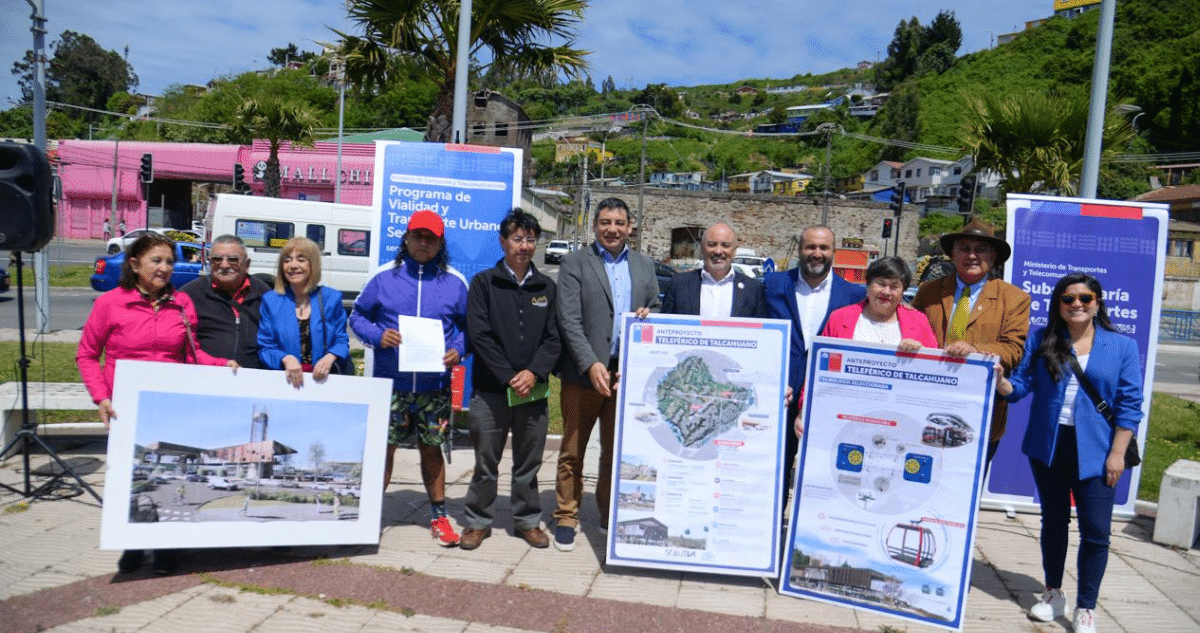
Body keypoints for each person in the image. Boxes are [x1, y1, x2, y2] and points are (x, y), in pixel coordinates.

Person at [77, 233, 237, 575]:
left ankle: (166, 548)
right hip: (125, 407)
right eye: (156, 261)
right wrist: (101, 397)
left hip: (169, 406)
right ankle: (133, 546)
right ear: (134, 265)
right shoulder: (110, 304)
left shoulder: (182, 304)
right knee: (131, 477)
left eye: (168, 261)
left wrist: (222, 365)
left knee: (166, 477)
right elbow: (87, 355)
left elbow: (192, 356)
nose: (164, 268)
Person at [996, 273, 1142, 633]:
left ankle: (1086, 607)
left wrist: (1117, 454)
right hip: (1049, 445)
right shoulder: (1043, 339)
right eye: (1068, 299)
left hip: (1097, 449)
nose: (1077, 304)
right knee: (1054, 521)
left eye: (1085, 298)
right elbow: (1022, 386)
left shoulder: (1121, 347)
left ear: (1097, 303)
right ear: (1058, 305)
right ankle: (1053, 592)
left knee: (1096, 531)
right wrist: (1002, 381)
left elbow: (1129, 405)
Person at [349, 210, 467, 547]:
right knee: (382, 452)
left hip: (434, 387)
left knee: (432, 451)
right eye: (418, 236)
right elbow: (358, 316)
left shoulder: (455, 282)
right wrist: (377, 335)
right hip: (390, 386)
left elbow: (468, 329)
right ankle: (369, 517)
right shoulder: (385, 277)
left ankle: (439, 516)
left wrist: (458, 350)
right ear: (406, 237)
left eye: (431, 238)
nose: (423, 243)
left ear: (441, 242)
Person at [553, 197, 660, 551]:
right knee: (572, 450)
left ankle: (606, 513)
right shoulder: (574, 263)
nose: (612, 229)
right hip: (584, 373)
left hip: (626, 375)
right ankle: (567, 515)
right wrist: (590, 363)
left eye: (619, 222)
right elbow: (568, 319)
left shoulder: (645, 266)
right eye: (604, 222)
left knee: (616, 453)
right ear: (595, 226)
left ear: (631, 226)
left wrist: (650, 313)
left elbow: (657, 306)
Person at [460, 209, 561, 550]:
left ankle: (527, 520)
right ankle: (477, 521)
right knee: (486, 462)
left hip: (533, 391)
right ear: (503, 242)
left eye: (530, 239)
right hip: (491, 390)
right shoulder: (484, 283)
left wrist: (533, 373)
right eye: (517, 239)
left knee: (529, 462)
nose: (524, 246)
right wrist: (508, 376)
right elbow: (480, 334)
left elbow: (553, 337)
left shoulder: (546, 286)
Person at [911, 218, 1030, 464]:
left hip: (977, 414)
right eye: (964, 248)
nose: (972, 256)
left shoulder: (1015, 299)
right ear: (953, 254)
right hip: (925, 407)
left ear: (994, 256)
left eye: (980, 250)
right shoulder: (928, 292)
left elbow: (1013, 350)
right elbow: (912, 332)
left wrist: (975, 350)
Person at [763, 226, 865, 506]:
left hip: (827, 394)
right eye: (810, 247)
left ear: (833, 252)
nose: (816, 254)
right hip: (781, 392)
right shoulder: (772, 285)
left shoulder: (854, 295)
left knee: (824, 468)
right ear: (799, 249)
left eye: (824, 248)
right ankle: (772, 531)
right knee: (776, 467)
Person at [257, 237, 350, 388]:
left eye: (301, 260)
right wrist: (285, 358)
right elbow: (265, 348)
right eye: (287, 260)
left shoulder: (331, 298)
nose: (293, 266)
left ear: (313, 264)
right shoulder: (271, 301)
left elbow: (341, 341)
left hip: (323, 383)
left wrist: (330, 357)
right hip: (283, 382)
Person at [180, 235, 271, 369]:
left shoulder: (264, 294)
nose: (224, 265)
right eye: (217, 259)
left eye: (233, 260)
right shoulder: (190, 294)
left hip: (252, 379)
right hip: (206, 377)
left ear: (247, 264)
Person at [821, 256, 937, 350]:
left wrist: (921, 353)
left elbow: (933, 367)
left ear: (903, 292)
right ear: (868, 285)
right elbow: (820, 361)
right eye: (881, 284)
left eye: (894, 287)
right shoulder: (839, 318)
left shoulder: (919, 322)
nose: (886, 292)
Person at [661, 222, 766, 318]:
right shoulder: (679, 284)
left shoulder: (754, 289)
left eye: (725, 245)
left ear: (734, 251)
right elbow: (663, 325)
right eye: (712, 245)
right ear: (702, 249)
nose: (718, 251)